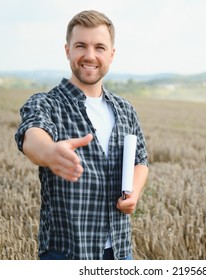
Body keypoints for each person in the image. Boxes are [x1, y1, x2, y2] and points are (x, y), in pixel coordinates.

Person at [14, 10, 148, 260]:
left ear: (111, 54)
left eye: (99, 47)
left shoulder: (125, 110)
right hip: (67, 255)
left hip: (119, 252)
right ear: (67, 51)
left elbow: (140, 160)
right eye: (80, 46)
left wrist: (135, 193)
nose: (90, 56)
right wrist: (49, 152)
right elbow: (31, 135)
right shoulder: (46, 103)